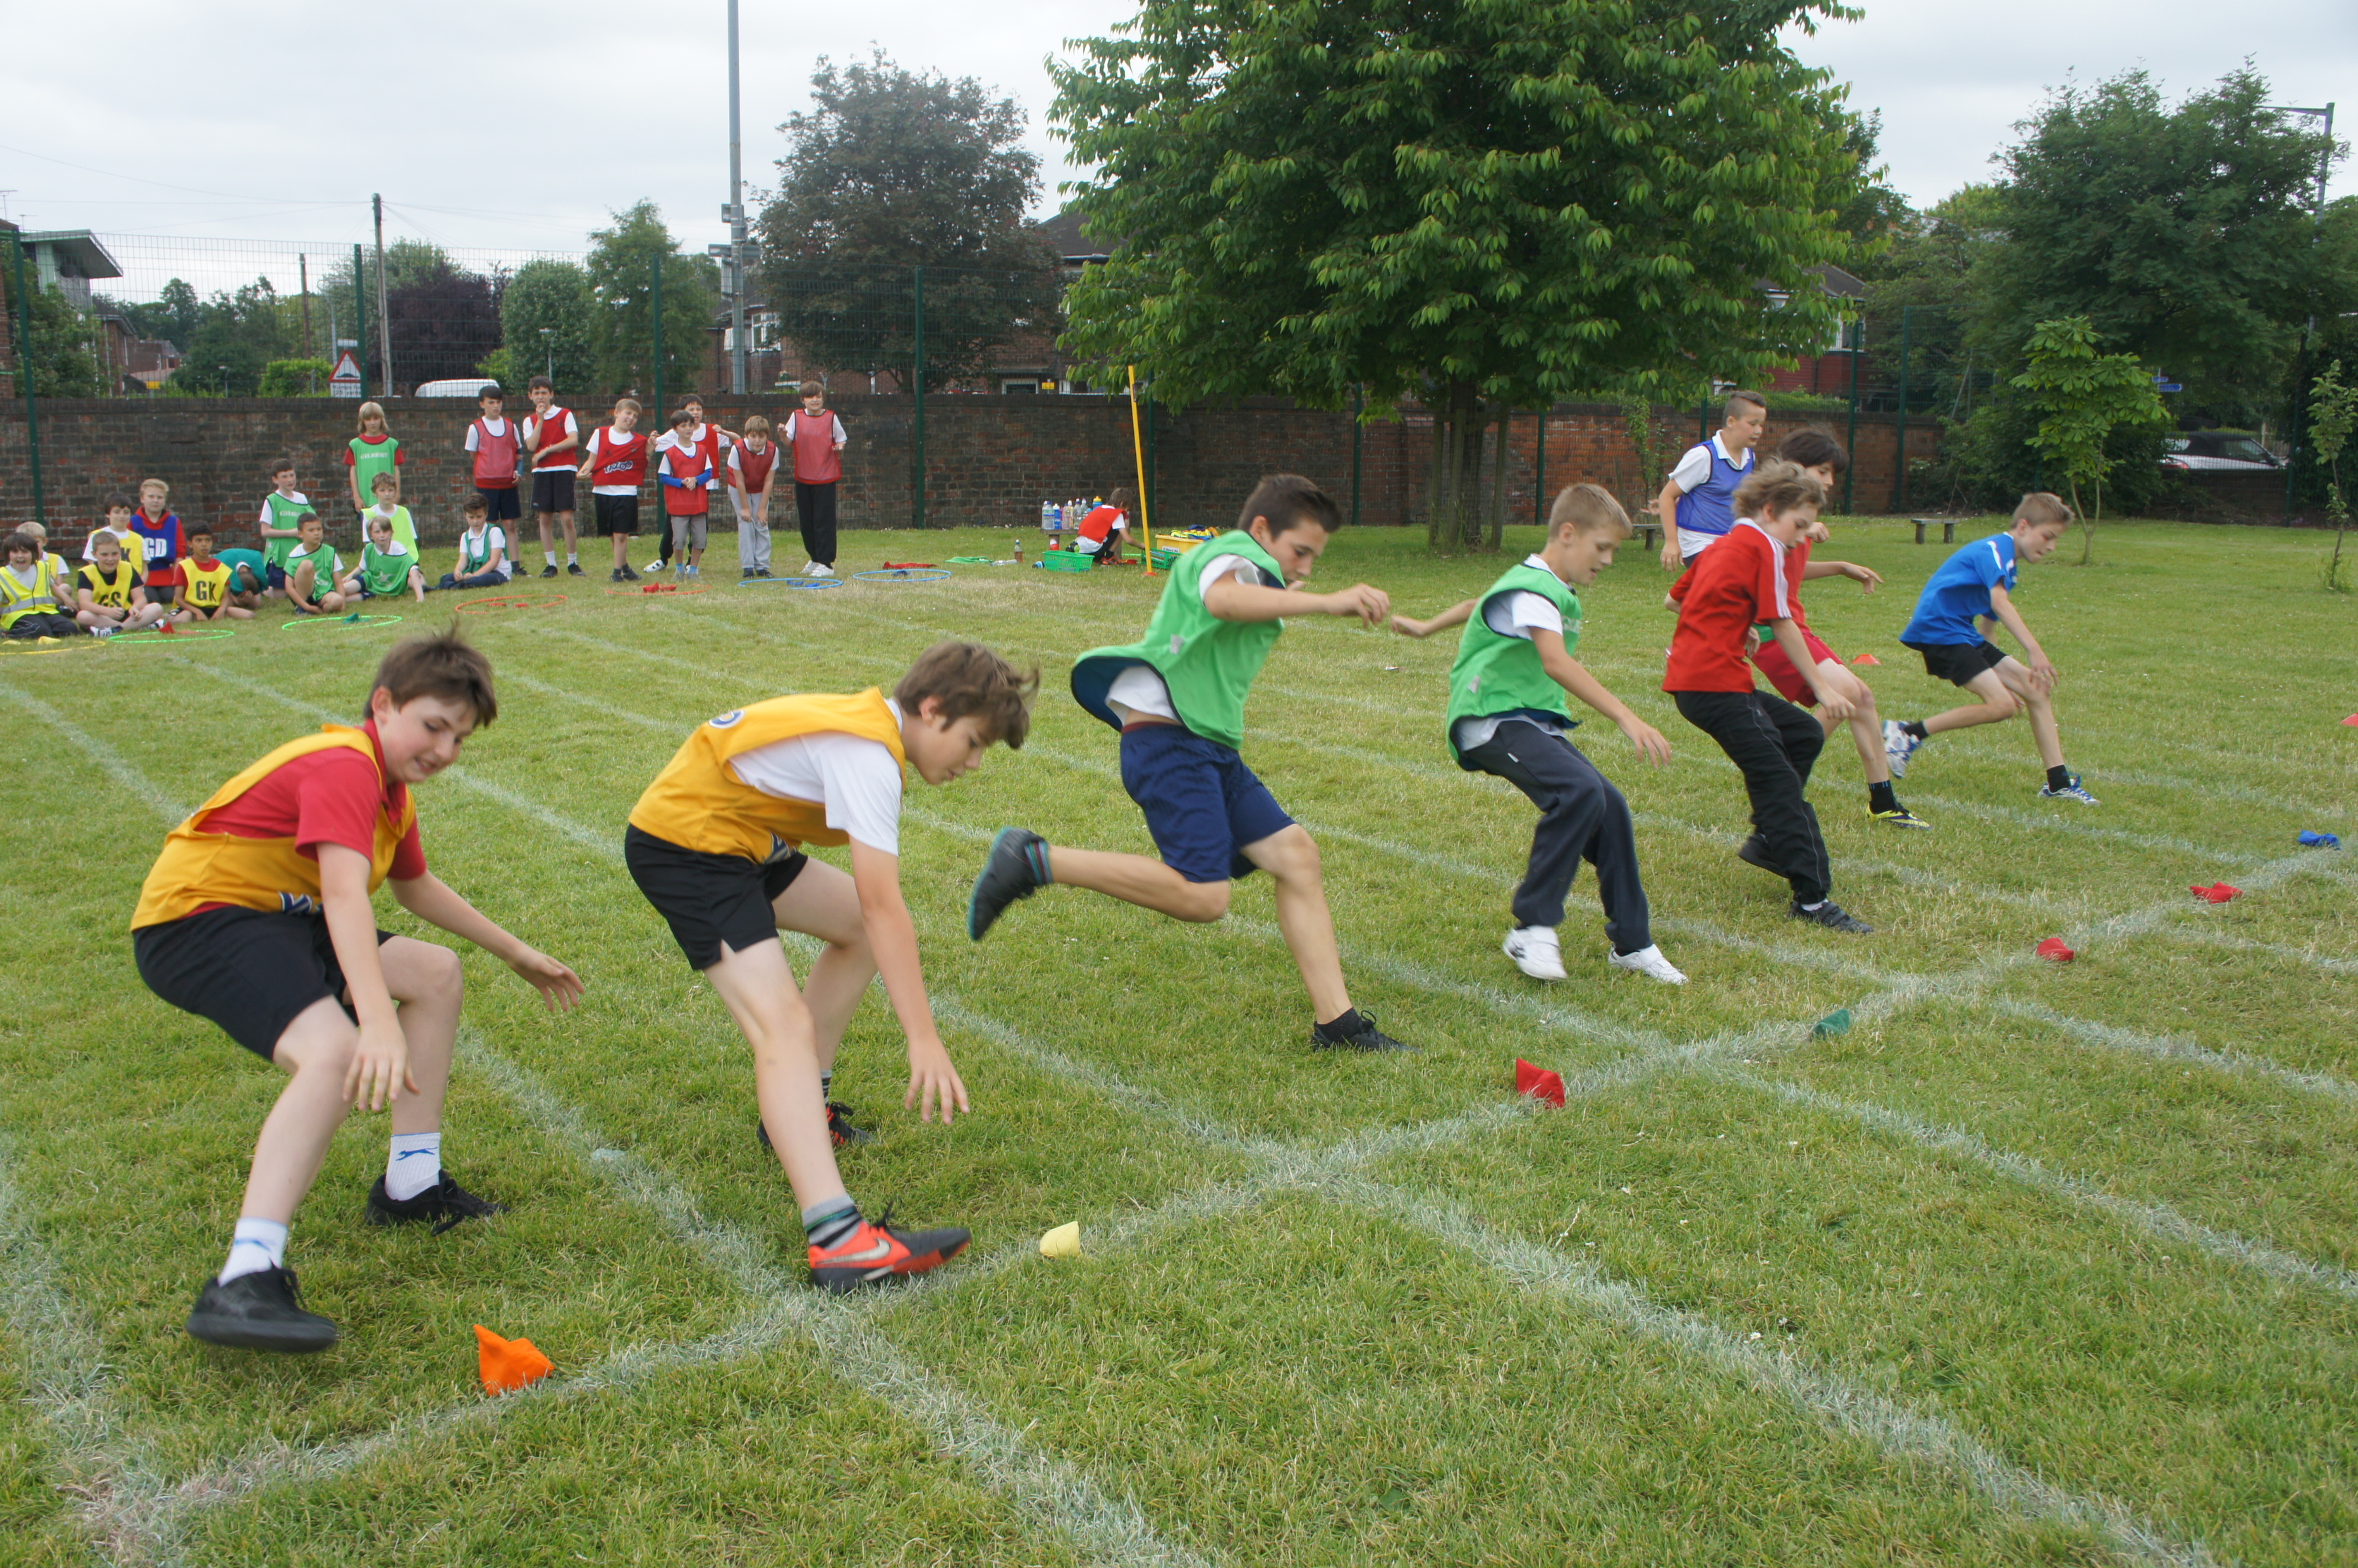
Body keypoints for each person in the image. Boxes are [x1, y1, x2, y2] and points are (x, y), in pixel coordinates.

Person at [132, 629, 582, 1351]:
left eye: (459, 738)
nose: (443, 750)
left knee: (435, 974)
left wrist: (514, 950)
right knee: (336, 1054)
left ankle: (411, 1184)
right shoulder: (346, 765)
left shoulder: (389, 789)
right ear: (383, 703)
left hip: (278, 915)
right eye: (433, 725)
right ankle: (245, 1277)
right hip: (198, 919)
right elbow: (345, 897)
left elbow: (412, 886)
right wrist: (374, 1020)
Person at [624, 641, 1037, 1291]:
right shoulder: (868, 755)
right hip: (689, 845)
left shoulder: (873, 735)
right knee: (781, 1025)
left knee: (853, 929)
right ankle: (839, 1242)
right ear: (932, 711)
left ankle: (799, 1110)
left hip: (739, 836)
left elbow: (868, 918)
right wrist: (922, 1037)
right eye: (975, 741)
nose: (976, 762)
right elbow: (884, 904)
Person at [967, 474, 1411, 1052]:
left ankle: (1339, 1024)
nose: (1303, 569)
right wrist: (1328, 602)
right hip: (1170, 742)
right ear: (1261, 531)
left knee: (1296, 856)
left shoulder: (1254, 565)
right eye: (1299, 551)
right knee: (1205, 896)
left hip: (1206, 745)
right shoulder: (1234, 554)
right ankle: (1034, 860)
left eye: (1313, 560)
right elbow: (1222, 598)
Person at [1391, 484, 1687, 985]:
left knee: (1609, 808)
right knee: (1579, 791)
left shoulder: (1545, 584)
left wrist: (1424, 628)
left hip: (1529, 721)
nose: (1610, 560)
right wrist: (1625, 716)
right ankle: (1534, 925)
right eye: (1603, 548)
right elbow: (1555, 661)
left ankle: (1632, 943)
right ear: (1568, 534)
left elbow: (1473, 603)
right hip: (1491, 718)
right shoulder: (1534, 586)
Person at [1669, 430, 1928, 833]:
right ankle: (1787, 786)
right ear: (1792, 470)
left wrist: (1839, 566)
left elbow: (1785, 577)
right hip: (1777, 632)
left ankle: (1830, 791)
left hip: (1795, 626)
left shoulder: (1796, 525)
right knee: (1852, 696)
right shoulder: (1771, 530)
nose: (1829, 482)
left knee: (1853, 700)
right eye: (1823, 471)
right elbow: (1764, 593)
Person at [1664, 462, 1873, 934]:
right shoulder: (1764, 546)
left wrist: (1736, 629)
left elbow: (1676, 600)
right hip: (1714, 686)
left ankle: (1767, 837)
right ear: (1770, 509)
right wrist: (1821, 687)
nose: (1800, 538)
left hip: (1700, 683)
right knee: (1778, 780)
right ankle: (1812, 899)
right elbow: (1783, 623)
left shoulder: (1724, 544)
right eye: (1798, 525)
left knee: (1801, 733)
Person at [1885, 493, 2095, 804]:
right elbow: (1999, 603)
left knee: (2036, 690)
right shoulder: (1996, 551)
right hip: (1941, 631)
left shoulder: (2007, 564)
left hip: (1961, 633)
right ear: (2023, 527)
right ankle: (1908, 733)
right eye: (2048, 537)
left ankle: (2058, 782)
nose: (2051, 547)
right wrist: (2034, 650)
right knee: (2002, 706)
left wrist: (1997, 669)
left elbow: (1988, 625)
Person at [1656, 390, 1767, 570]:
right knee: (1725, 586)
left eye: (1761, 425)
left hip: (1732, 542)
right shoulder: (1703, 456)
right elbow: (1667, 496)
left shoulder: (1750, 457)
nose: (1758, 431)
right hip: (1698, 542)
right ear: (1731, 422)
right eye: (1753, 424)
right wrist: (1671, 542)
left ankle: (1678, 598)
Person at [645, 394, 733, 575]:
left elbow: (737, 441)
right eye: (691, 409)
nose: (695, 413)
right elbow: (654, 449)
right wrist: (651, 442)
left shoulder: (712, 431)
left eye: (698, 409)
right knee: (674, 527)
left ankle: (692, 565)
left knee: (700, 527)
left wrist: (723, 432)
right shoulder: (674, 435)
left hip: (702, 486)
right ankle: (664, 559)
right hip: (680, 491)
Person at [578, 397, 647, 583]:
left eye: (635, 416)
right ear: (616, 413)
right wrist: (583, 471)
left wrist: (653, 444)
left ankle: (616, 572)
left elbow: (648, 453)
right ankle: (625, 568)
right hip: (603, 491)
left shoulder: (640, 441)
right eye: (628, 413)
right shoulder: (600, 434)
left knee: (622, 534)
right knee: (613, 535)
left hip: (626, 492)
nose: (631, 418)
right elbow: (592, 460)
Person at [784, 381, 846, 577]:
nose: (815, 400)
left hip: (826, 477)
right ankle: (815, 558)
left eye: (818, 396)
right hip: (803, 476)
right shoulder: (795, 417)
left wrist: (839, 447)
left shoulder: (831, 417)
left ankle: (827, 563)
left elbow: (841, 439)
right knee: (807, 522)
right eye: (811, 397)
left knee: (824, 521)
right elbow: (788, 440)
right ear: (803, 400)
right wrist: (780, 434)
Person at [523, 376, 582, 578]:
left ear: (551, 394)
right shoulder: (529, 421)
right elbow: (531, 446)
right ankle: (551, 564)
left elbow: (573, 439)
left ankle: (573, 563)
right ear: (530, 396)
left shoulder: (565, 414)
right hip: (542, 472)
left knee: (566, 517)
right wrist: (540, 420)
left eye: (544, 392)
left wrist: (547, 450)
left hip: (564, 468)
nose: (541, 397)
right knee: (544, 518)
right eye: (536, 393)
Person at [656, 408, 713, 579]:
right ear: (675, 429)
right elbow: (663, 477)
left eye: (690, 425)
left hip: (698, 502)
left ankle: (693, 569)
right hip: (678, 504)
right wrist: (681, 482)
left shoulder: (702, 450)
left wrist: (696, 480)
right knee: (679, 540)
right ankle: (679, 568)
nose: (688, 428)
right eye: (683, 426)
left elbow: (709, 472)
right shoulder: (670, 453)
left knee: (700, 539)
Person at [75, 532, 166, 635]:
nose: (110, 559)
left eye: (115, 554)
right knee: (83, 616)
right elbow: (85, 603)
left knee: (156, 607)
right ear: (94, 554)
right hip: (102, 615)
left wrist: (135, 607)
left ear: (120, 552)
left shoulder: (127, 568)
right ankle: (131, 628)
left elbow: (141, 598)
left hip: (127, 614)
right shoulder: (87, 573)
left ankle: (116, 630)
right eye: (104, 555)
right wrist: (108, 611)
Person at [1, 529, 82, 639]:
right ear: (8, 555)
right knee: (40, 630)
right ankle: (6, 634)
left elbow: (52, 585)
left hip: (46, 611)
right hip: (18, 615)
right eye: (15, 552)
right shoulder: (3, 575)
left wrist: (67, 599)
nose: (20, 556)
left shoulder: (42, 567)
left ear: (33, 553)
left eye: (25, 552)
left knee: (70, 629)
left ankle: (48, 630)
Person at [464, 385, 524, 532]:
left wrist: (519, 471)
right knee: (489, 524)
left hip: (508, 484)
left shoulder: (511, 425)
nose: (496, 406)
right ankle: (491, 554)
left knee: (510, 524)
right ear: (482, 404)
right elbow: (474, 455)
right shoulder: (475, 428)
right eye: (491, 402)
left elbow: (519, 453)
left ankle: (513, 556)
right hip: (486, 484)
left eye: (498, 402)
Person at [728, 414, 780, 579]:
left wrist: (762, 509)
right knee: (746, 523)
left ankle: (763, 566)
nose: (757, 441)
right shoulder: (737, 449)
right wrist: (745, 508)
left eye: (761, 436)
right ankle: (748, 566)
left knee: (761, 523)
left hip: (760, 488)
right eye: (753, 436)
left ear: (767, 437)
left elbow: (769, 481)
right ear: (747, 436)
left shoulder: (773, 451)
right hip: (739, 487)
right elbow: (740, 481)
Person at [173, 527, 258, 623]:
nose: (204, 544)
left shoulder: (221, 567)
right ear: (190, 544)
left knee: (249, 615)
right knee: (179, 621)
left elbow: (225, 597)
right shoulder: (184, 566)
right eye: (199, 541)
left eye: (208, 540)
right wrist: (197, 612)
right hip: (191, 609)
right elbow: (179, 599)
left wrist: (221, 611)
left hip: (214, 608)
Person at [342, 513, 428, 604]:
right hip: (370, 580)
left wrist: (420, 598)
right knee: (344, 590)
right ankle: (327, 598)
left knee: (347, 600)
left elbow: (413, 571)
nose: (382, 535)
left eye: (385, 531)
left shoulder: (398, 549)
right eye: (377, 532)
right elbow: (362, 568)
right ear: (371, 535)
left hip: (389, 586)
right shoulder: (369, 548)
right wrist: (349, 576)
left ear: (391, 533)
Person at [257, 459, 311, 600]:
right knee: (281, 596)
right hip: (280, 555)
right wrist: (291, 533)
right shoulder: (272, 500)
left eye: (292, 475)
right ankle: (264, 588)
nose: (290, 480)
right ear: (275, 480)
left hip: (300, 552)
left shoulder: (302, 499)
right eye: (284, 476)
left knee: (302, 591)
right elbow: (265, 531)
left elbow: (312, 522)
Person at [129, 478, 185, 608]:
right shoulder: (133, 522)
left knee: (170, 597)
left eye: (160, 497)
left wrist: (178, 581)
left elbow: (180, 553)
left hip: (166, 575)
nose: (155, 500)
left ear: (164, 500)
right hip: (143, 576)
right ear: (142, 499)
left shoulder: (174, 522)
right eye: (151, 496)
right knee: (150, 598)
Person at [344, 402, 402, 521]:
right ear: (362, 421)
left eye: (376, 418)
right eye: (368, 419)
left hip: (387, 501)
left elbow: (396, 470)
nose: (373, 423)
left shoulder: (392, 444)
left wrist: (397, 494)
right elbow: (353, 472)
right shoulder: (355, 445)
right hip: (366, 502)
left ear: (382, 419)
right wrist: (357, 497)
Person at [439, 498, 512, 590]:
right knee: (446, 578)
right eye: (471, 517)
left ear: (486, 514)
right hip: (475, 570)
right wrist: (457, 571)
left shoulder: (494, 531)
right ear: (465, 516)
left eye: (479, 517)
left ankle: (449, 586)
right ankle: (453, 584)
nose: (475, 521)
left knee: (479, 580)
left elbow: (494, 562)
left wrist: (474, 576)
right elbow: (463, 561)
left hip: (498, 572)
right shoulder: (465, 536)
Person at [286, 513, 348, 616]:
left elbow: (338, 583)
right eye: (311, 530)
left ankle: (322, 609)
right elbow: (289, 587)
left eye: (319, 529)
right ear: (300, 534)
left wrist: (342, 605)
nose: (316, 533)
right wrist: (307, 607)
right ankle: (303, 608)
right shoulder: (295, 554)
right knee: (307, 565)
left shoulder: (330, 551)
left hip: (324, 593)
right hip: (304, 595)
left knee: (337, 600)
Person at [361, 471, 420, 556]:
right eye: (382, 490)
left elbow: (412, 539)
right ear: (375, 493)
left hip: (406, 559)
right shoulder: (369, 514)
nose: (387, 494)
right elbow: (368, 543)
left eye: (391, 490)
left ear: (395, 492)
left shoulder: (404, 512)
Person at [1073, 489, 1134, 566]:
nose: (1126, 511)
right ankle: (1109, 558)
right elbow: (1128, 540)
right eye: (1127, 509)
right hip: (1095, 550)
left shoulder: (1098, 509)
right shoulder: (1116, 513)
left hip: (1079, 550)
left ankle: (1103, 558)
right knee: (1125, 523)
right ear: (1122, 504)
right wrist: (1141, 546)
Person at [81, 495, 143, 568]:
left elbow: (144, 567)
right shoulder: (96, 535)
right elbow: (92, 564)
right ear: (108, 514)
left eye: (126, 512)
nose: (122, 516)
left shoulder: (138, 539)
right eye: (117, 512)